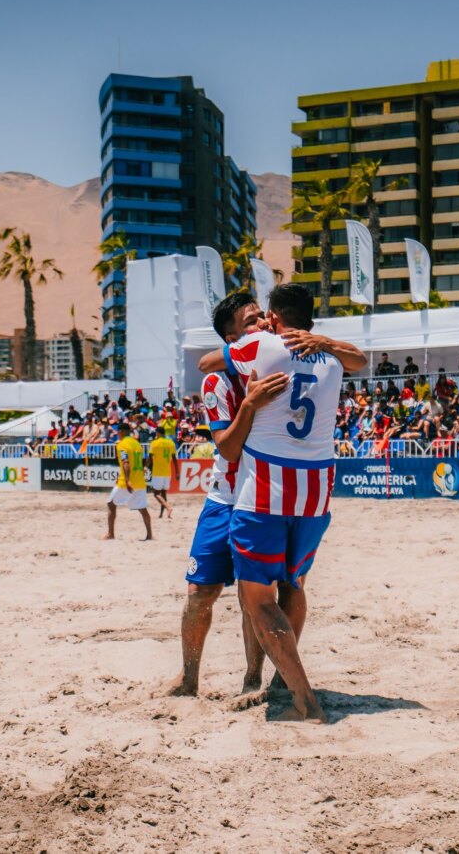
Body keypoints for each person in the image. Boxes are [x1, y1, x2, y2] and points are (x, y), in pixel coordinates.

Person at [218, 284, 356, 724]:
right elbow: (362, 359)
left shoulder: (261, 344)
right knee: (294, 586)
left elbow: (210, 361)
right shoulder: (335, 358)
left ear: (275, 317)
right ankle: (282, 677)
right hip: (316, 487)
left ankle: (304, 700)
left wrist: (248, 339)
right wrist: (325, 342)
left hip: (266, 485)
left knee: (256, 598)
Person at [164, 293, 284, 699]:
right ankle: (188, 678)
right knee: (200, 593)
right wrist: (250, 404)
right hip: (226, 496)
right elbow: (227, 449)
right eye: (252, 321)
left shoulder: (281, 361)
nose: (263, 325)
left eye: (263, 317)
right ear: (232, 338)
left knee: (256, 596)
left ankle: (252, 681)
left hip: (265, 498)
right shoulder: (218, 381)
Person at [105, 421, 152, 540]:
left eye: (118, 432)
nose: (117, 434)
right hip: (140, 481)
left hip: (127, 482)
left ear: (121, 432)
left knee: (111, 504)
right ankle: (149, 534)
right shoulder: (137, 444)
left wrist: (127, 480)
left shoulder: (122, 444)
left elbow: (126, 463)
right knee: (142, 508)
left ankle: (111, 534)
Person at [147, 428, 178, 519]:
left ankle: (168, 507)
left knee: (156, 493)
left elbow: (150, 457)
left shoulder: (155, 443)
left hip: (158, 471)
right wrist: (177, 472)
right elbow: (174, 459)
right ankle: (162, 514)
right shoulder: (171, 443)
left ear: (158, 433)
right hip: (167, 471)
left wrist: (145, 467)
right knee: (163, 494)